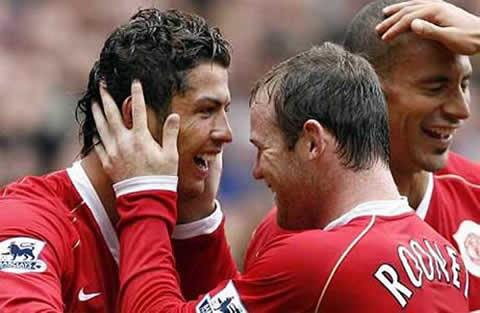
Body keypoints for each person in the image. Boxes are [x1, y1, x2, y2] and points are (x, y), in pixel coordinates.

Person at [94, 43, 470, 312]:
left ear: (311, 142)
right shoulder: (447, 256)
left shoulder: (321, 261)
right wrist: (200, 219)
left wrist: (142, 191)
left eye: (263, 148)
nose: (256, 171)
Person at [0, 8, 235, 312]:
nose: (226, 134)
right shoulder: (27, 222)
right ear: (133, 116)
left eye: (225, 111)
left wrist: (199, 231)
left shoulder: (178, 225)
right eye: (206, 111)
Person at [342, 0, 480, 310]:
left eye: (465, 84)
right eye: (435, 88)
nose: (462, 110)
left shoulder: (476, 193)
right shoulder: (306, 223)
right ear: (370, 94)